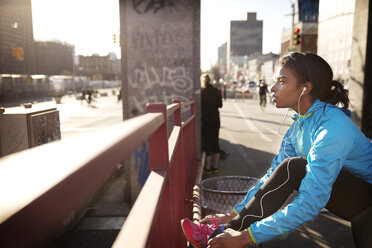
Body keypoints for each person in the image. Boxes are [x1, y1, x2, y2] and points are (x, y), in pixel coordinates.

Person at [181, 52, 372, 248]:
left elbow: (310, 202)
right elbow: (274, 176)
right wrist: (236, 213)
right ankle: (225, 228)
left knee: (295, 167)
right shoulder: (299, 126)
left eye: (282, 81)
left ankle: (227, 230)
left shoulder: (332, 127)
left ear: (305, 88)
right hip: (359, 205)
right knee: (292, 167)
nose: (272, 88)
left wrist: (246, 237)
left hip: (367, 199)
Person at [201, 74, 223, 174]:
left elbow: (200, 107)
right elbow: (220, 105)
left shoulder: (202, 92)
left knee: (207, 143)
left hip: (206, 120)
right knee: (215, 142)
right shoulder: (216, 91)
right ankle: (215, 167)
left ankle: (207, 167)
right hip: (216, 119)